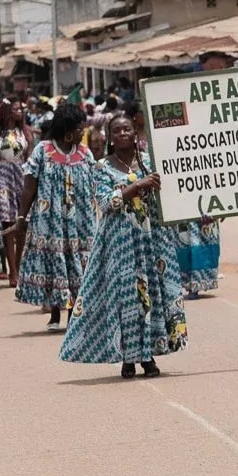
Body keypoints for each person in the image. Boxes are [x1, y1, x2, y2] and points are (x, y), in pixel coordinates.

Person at [60, 114, 187, 379]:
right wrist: (138, 185)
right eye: (116, 130)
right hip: (120, 242)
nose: (122, 134)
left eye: (127, 129)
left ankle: (149, 356)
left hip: (151, 239)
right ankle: (128, 357)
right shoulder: (101, 167)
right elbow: (106, 202)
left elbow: (171, 193)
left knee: (150, 294)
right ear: (110, 137)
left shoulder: (150, 161)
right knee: (126, 297)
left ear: (135, 132)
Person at [13, 103, 96, 331]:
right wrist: (21, 217)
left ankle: (73, 314)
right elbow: (29, 187)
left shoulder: (85, 153)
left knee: (77, 265)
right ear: (67, 131)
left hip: (81, 222)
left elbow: (95, 187)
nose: (82, 132)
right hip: (50, 220)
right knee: (54, 263)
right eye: (79, 129)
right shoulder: (43, 150)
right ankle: (55, 313)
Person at [177, 51, 227, 299]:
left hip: (212, 178)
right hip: (186, 177)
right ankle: (189, 284)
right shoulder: (187, 91)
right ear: (202, 66)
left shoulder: (226, 97)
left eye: (221, 67)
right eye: (212, 66)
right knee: (186, 235)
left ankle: (203, 280)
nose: (217, 71)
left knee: (208, 232)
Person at [0, 100, 34, 287]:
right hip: (2, 180)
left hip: (22, 178)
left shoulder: (26, 133)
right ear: (6, 111)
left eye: (21, 108)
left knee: (23, 223)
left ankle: (19, 267)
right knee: (7, 223)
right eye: (15, 109)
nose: (20, 111)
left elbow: (30, 159)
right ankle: (12, 270)